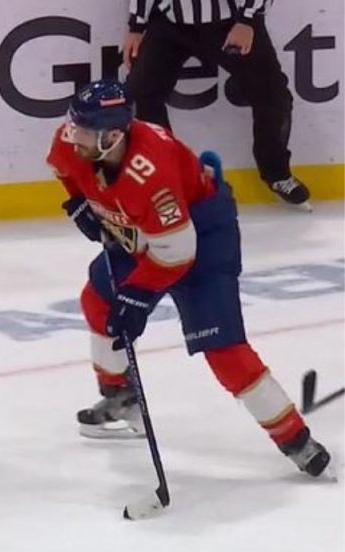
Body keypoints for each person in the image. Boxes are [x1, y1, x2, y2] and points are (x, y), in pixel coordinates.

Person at [46, 80, 332, 478]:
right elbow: (65, 169)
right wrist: (78, 202)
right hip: (144, 229)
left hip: (202, 236)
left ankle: (295, 439)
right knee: (97, 301)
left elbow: (177, 255)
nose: (70, 136)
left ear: (112, 137)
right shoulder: (75, 138)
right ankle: (120, 397)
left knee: (222, 348)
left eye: (82, 132)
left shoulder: (152, 172)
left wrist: (137, 299)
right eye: (73, 126)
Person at [122, 0, 310, 208]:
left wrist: (247, 19)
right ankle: (165, 178)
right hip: (169, 21)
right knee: (142, 92)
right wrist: (137, 26)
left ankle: (276, 173)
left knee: (273, 95)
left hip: (230, 22)